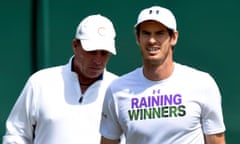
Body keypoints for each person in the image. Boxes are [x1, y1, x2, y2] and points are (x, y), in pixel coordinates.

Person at [100, 5, 226, 144]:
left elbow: (216, 141)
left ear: (173, 37)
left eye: (159, 33)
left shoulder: (202, 84)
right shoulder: (117, 90)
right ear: (138, 38)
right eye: (146, 33)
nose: (152, 40)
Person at [3, 14, 120, 144]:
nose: (98, 60)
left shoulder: (119, 90)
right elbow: (16, 134)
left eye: (104, 53)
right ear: (75, 45)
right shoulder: (40, 82)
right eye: (91, 51)